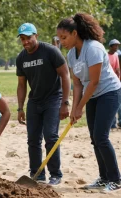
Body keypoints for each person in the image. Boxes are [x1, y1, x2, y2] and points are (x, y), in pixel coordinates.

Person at [57, 13, 121, 192]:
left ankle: (115, 179)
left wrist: (80, 107)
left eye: (64, 37)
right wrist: (74, 108)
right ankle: (103, 177)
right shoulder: (71, 55)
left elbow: (94, 82)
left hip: (109, 92)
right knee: (94, 138)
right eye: (59, 38)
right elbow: (77, 84)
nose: (62, 41)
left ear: (75, 33)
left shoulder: (93, 48)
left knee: (101, 136)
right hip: (91, 94)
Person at [16, 23, 71, 185]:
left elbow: (65, 75)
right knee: (33, 139)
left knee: (51, 137)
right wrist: (20, 107)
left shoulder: (50, 51)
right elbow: (21, 84)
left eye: (28, 38)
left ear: (36, 36)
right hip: (34, 101)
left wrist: (65, 103)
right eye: (22, 39)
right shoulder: (21, 58)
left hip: (53, 99)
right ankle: (37, 174)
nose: (26, 42)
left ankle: (55, 174)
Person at [108, 39, 121, 129]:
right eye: (115, 45)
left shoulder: (116, 55)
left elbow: (117, 69)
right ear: (111, 46)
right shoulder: (106, 55)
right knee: (110, 104)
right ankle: (112, 124)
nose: (116, 47)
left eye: (117, 45)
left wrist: (118, 79)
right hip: (107, 82)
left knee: (118, 103)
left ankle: (120, 122)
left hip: (115, 81)